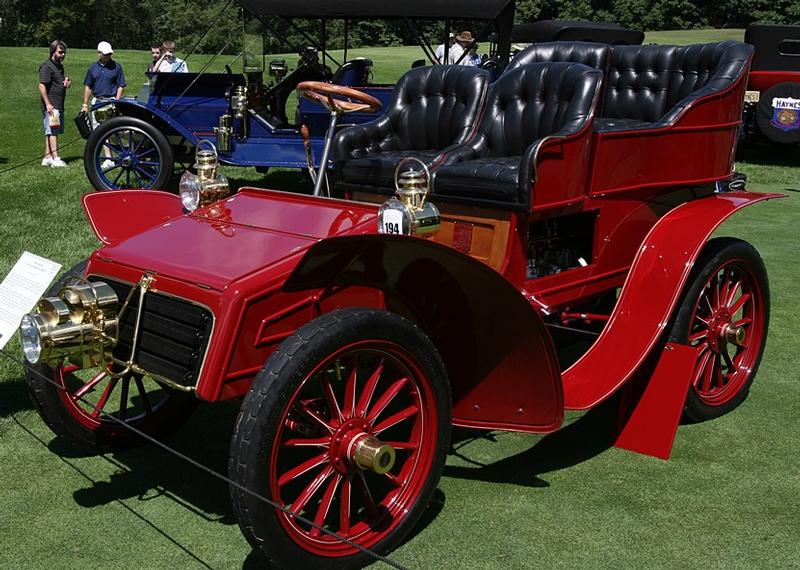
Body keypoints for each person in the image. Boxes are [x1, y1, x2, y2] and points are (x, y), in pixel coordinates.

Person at [82, 41, 126, 170]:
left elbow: (121, 85)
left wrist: (117, 101)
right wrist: (85, 104)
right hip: (98, 101)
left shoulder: (116, 67)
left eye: (110, 54)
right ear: (99, 54)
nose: (108, 56)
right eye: (106, 54)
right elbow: (88, 86)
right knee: (100, 131)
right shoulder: (93, 68)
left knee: (114, 131)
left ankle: (118, 155)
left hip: (111, 101)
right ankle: (108, 158)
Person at [38, 40, 71, 167]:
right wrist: (48, 104)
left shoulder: (59, 66)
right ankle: (56, 159)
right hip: (52, 105)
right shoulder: (46, 66)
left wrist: (65, 83)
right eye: (60, 52)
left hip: (58, 103)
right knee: (53, 131)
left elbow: (58, 83)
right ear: (53, 52)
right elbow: (41, 86)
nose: (63, 55)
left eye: (64, 53)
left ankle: (47, 157)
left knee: (50, 130)